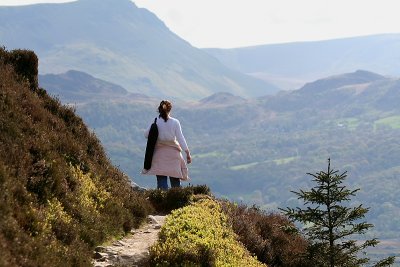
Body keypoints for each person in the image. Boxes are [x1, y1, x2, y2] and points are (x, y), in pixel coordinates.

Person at [142, 100, 192, 189]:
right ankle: (177, 200)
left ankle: (163, 200)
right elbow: (181, 138)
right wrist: (187, 153)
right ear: (170, 110)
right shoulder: (175, 122)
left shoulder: (156, 121)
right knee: (175, 182)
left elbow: (146, 134)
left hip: (159, 154)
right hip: (174, 155)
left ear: (159, 110)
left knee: (161, 181)